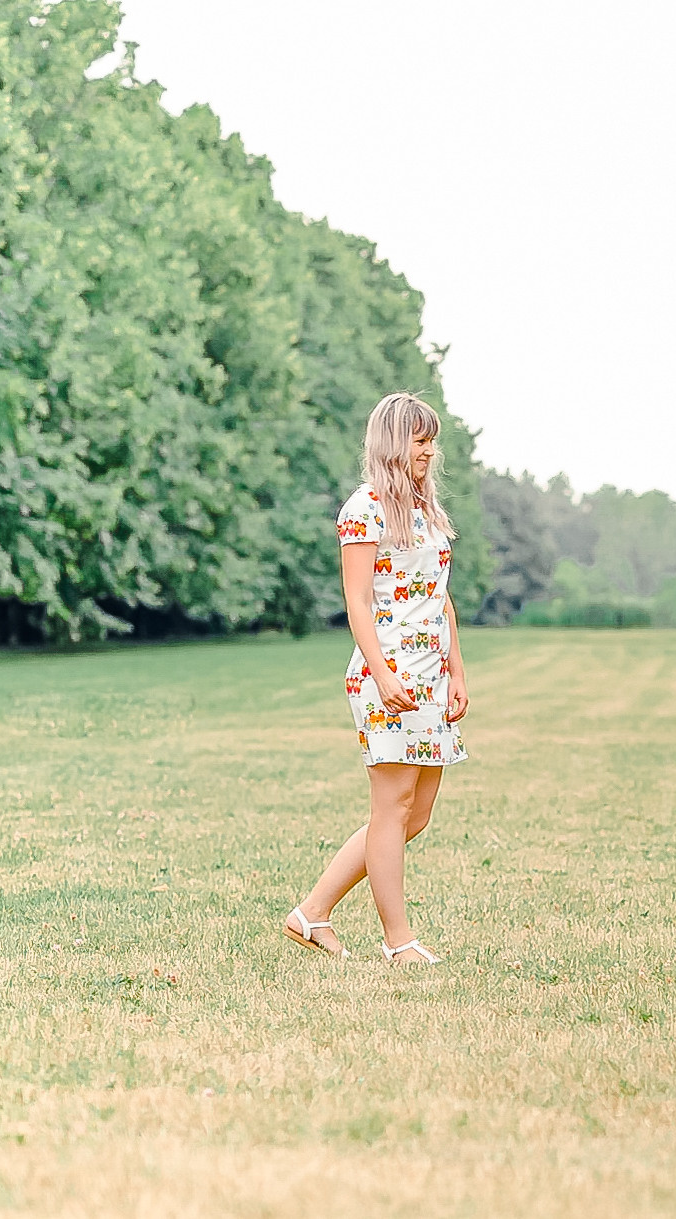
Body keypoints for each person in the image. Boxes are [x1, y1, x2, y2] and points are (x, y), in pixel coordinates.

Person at [283, 392, 472, 966]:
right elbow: (358, 601)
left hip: (431, 678)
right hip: (386, 676)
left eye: (432, 441)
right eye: (420, 440)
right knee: (392, 808)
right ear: (393, 443)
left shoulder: (426, 509)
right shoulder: (363, 508)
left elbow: (440, 599)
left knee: (416, 814)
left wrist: (457, 671)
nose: (429, 451)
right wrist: (383, 674)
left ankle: (311, 912)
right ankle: (398, 941)